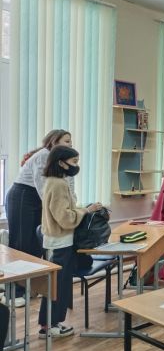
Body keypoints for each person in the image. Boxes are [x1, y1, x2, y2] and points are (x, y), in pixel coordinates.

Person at [5, 130, 75, 307]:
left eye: (71, 141)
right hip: (23, 197)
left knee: (36, 245)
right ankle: (13, 293)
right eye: (67, 141)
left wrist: (71, 207)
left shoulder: (64, 161)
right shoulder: (44, 155)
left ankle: (29, 287)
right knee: (21, 245)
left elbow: (68, 187)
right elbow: (44, 188)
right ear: (54, 142)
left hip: (37, 200)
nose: (70, 144)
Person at [38, 145, 102, 338]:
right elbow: (65, 218)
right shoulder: (58, 184)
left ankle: (47, 325)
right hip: (60, 243)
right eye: (73, 161)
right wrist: (86, 210)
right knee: (59, 286)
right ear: (61, 162)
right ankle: (52, 326)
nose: (76, 165)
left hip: (55, 241)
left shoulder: (51, 181)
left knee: (54, 285)